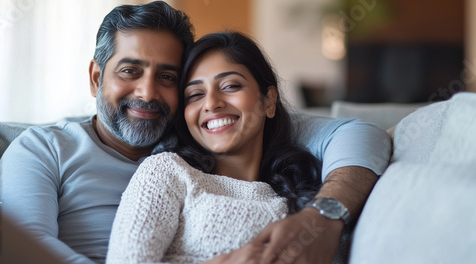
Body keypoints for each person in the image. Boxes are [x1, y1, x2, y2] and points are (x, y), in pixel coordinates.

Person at [0, 1, 391, 264]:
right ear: (96, 77)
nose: (147, 93)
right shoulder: (43, 148)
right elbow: (9, 249)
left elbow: (363, 135)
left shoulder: (204, 134)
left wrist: (322, 218)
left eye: (167, 77)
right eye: (130, 71)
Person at [106, 31, 323, 263]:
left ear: (269, 101)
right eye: (195, 94)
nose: (211, 103)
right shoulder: (167, 172)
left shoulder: (308, 192)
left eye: (230, 86)